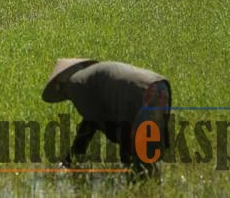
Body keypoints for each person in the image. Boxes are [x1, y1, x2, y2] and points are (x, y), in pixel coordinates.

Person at [42, 58, 171, 172]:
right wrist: (72, 156)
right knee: (149, 156)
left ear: (61, 85)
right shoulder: (89, 76)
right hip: (159, 85)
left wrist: (70, 160)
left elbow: (93, 121)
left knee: (140, 167)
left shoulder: (75, 84)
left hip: (142, 97)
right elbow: (90, 121)